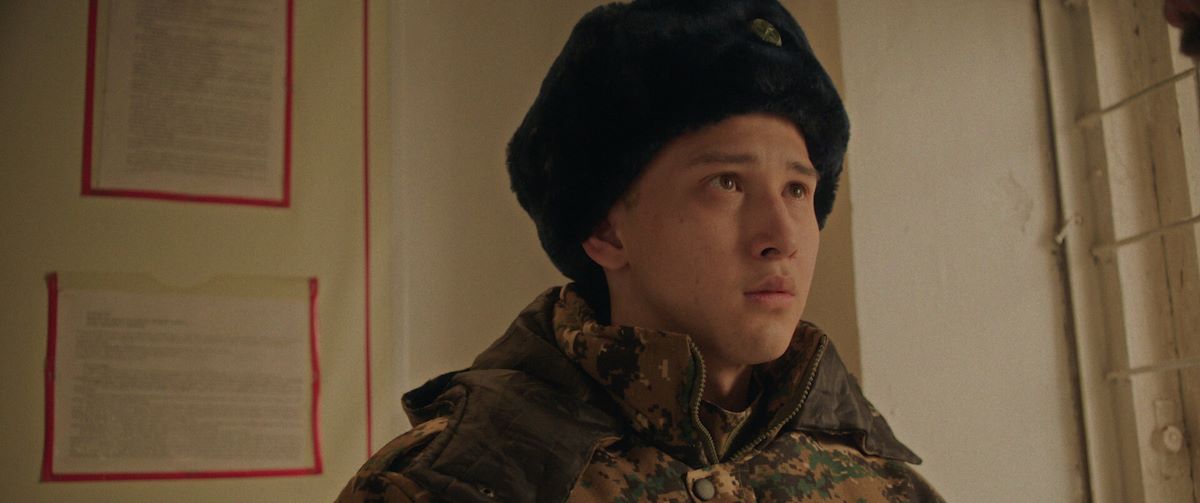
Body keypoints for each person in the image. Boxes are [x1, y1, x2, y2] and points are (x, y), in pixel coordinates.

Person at [337, 0, 942, 501]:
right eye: (726, 183)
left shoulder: (885, 486)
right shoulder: (446, 483)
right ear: (606, 231)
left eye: (797, 189)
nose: (782, 237)